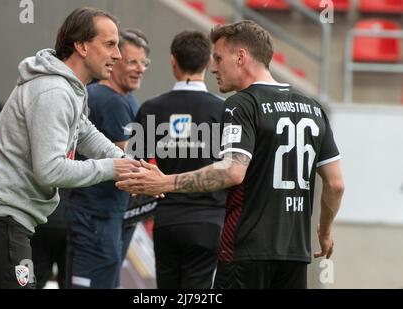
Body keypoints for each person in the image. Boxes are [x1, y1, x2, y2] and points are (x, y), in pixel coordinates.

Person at [117, 20, 345, 289]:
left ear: (240, 57)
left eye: (218, 58)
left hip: (246, 250)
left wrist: (164, 182)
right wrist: (325, 230)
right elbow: (335, 184)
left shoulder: (242, 104)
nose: (213, 67)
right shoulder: (313, 108)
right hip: (294, 253)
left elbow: (232, 171)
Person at [0, 7, 140, 289]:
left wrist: (126, 163)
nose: (117, 55)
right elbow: (50, 170)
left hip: (5, 219)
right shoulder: (54, 91)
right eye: (109, 44)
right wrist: (113, 168)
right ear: (81, 46)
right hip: (0, 219)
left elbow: (84, 132)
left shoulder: (68, 87)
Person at [134, 30, 226, 289]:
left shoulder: (151, 109)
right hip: (209, 221)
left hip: (166, 221)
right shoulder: (224, 110)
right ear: (210, 61)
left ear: (173, 60)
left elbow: (136, 165)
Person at [66, 29, 150, 289]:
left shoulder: (124, 98)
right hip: (97, 215)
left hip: (101, 213)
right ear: (114, 61)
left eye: (144, 63)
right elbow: (128, 165)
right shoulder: (111, 101)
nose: (140, 69)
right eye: (132, 62)